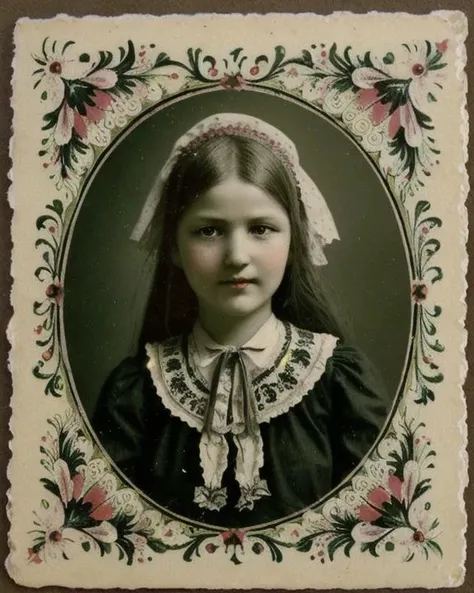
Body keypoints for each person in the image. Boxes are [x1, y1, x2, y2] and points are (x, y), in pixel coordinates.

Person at [93, 113, 390, 528]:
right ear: (174, 246)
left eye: (261, 228)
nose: (236, 255)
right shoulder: (136, 390)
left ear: (295, 240)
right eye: (209, 231)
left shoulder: (340, 382)